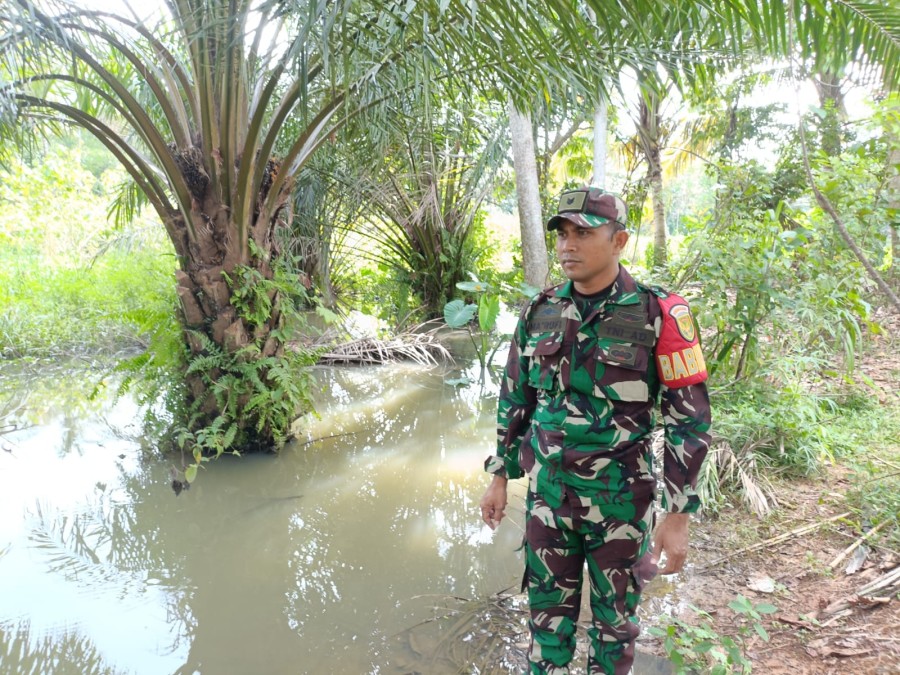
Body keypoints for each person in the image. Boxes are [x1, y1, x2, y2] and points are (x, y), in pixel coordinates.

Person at [479, 187, 711, 674]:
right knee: (546, 628)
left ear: (619, 239)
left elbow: (688, 422)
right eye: (563, 233)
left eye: (583, 233)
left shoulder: (658, 313)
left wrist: (678, 515)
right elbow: (514, 399)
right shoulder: (539, 311)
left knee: (615, 630)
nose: (568, 244)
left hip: (621, 506)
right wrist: (500, 475)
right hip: (548, 502)